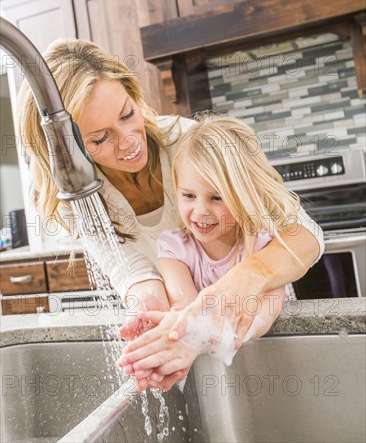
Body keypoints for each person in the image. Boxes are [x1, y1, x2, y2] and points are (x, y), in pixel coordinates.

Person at [17, 38, 324, 389]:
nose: (129, 141)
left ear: (133, 94)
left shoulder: (191, 143)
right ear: (64, 150)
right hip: (196, 336)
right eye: (101, 139)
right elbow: (137, 275)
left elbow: (305, 232)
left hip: (264, 343)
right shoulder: (80, 196)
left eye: (128, 114)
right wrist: (158, 323)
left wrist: (246, 278)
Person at [117, 115, 300, 389]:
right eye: (188, 196)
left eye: (216, 197)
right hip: (227, 380)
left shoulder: (264, 245)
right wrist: (180, 337)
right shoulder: (174, 248)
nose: (201, 211)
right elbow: (187, 309)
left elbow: (264, 314)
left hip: (282, 367)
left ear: (244, 194)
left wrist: (208, 337)